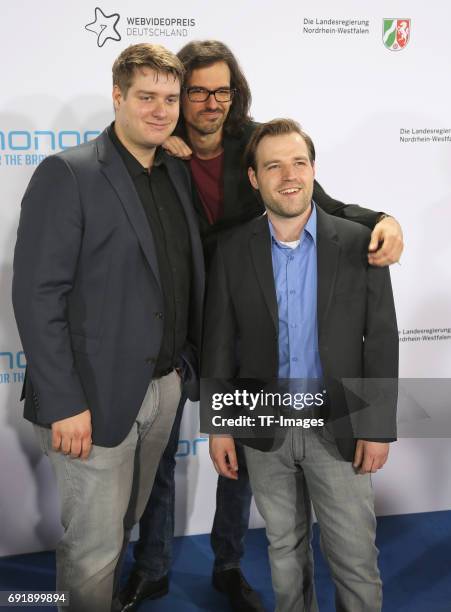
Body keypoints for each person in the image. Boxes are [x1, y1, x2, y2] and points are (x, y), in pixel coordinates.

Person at [120, 40, 404, 612]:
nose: (209, 102)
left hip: (253, 333)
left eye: (221, 91)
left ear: (234, 94)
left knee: (256, 473)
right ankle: (152, 567)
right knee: (169, 461)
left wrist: (383, 219)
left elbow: (319, 201)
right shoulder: (158, 149)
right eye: (195, 91)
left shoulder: (257, 149)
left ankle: (227, 563)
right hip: (178, 326)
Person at [12, 43, 204, 612]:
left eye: (170, 98)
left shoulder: (174, 171)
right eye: (146, 96)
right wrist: (63, 401)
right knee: (93, 549)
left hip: (163, 389)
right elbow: (37, 294)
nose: (160, 109)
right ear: (117, 97)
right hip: (88, 400)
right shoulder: (68, 173)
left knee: (122, 527)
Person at [206, 118, 398, 612]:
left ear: (313, 169)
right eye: (273, 166)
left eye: (298, 163)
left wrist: (376, 426)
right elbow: (220, 342)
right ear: (254, 178)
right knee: (283, 551)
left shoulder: (359, 243)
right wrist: (221, 425)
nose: (288, 175)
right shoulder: (231, 251)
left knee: (354, 557)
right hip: (263, 425)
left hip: (339, 424)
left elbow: (379, 340)